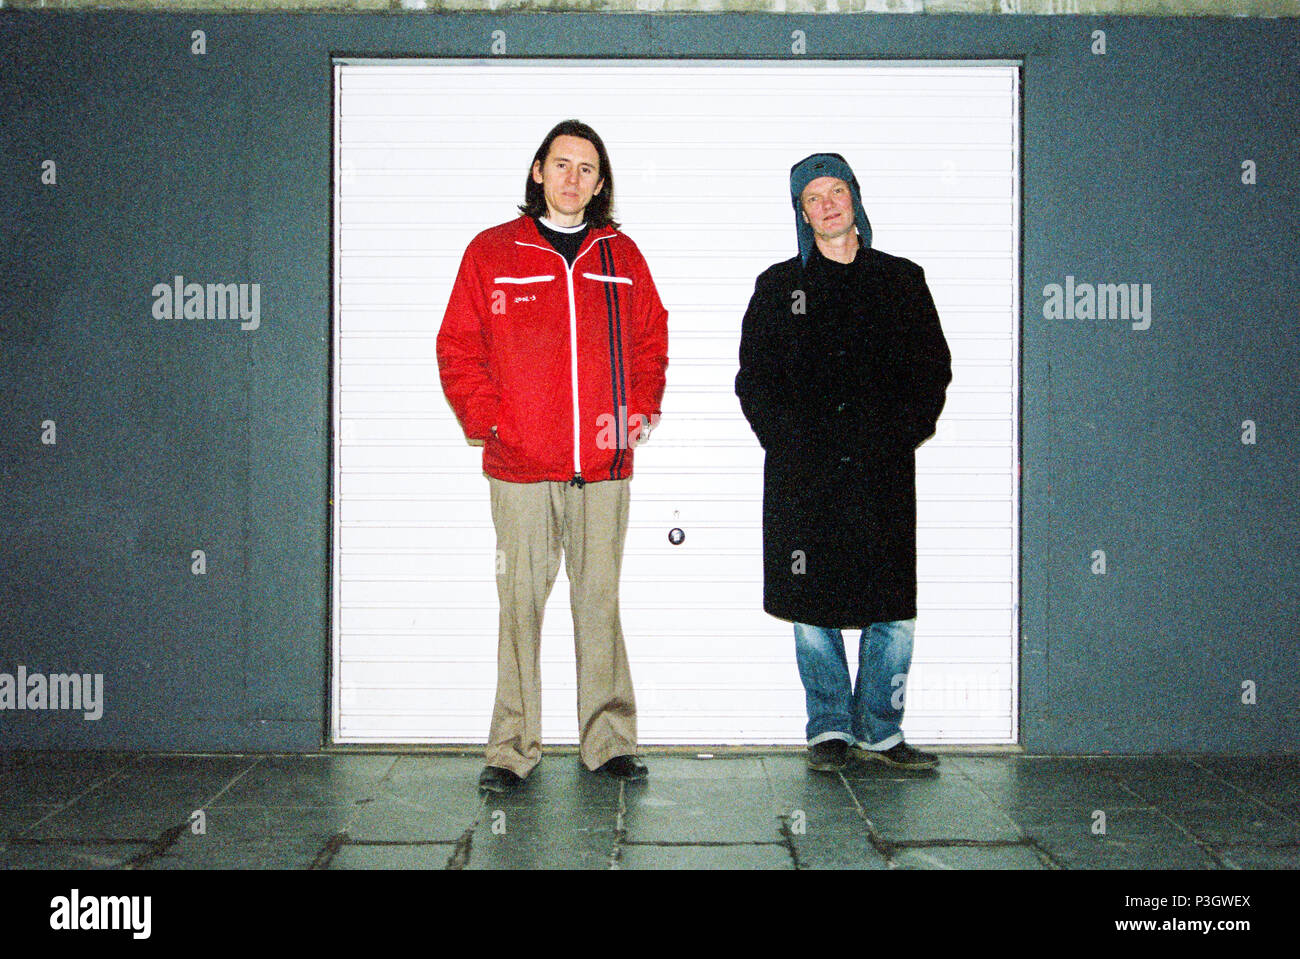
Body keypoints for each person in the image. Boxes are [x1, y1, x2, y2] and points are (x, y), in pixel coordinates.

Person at [437, 120, 669, 794]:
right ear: (538, 171)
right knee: (520, 603)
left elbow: (652, 336)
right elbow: (458, 345)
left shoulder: (619, 254)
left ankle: (609, 742)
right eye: (561, 164)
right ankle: (511, 749)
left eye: (587, 168)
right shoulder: (492, 252)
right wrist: (492, 421)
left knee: (599, 599)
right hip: (521, 468)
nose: (573, 178)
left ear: (600, 183)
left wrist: (636, 414)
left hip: (602, 468)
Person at [735, 153, 952, 772]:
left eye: (837, 191)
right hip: (805, 481)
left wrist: (896, 436)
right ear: (800, 213)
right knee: (812, 608)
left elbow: (932, 372)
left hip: (882, 476)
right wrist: (792, 445)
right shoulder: (779, 288)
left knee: (891, 609)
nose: (827, 205)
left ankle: (881, 730)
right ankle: (829, 728)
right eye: (813, 198)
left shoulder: (902, 281)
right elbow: (755, 381)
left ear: (855, 197)